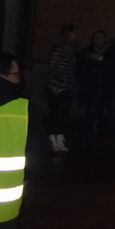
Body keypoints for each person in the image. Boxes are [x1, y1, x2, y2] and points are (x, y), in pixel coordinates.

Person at [0, 52, 49, 229]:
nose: (19, 79)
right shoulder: (24, 109)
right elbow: (39, 152)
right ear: (1, 76)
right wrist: (29, 176)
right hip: (4, 208)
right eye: (15, 74)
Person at [44, 24, 78, 153]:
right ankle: (52, 138)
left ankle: (60, 137)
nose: (76, 35)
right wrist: (59, 79)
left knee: (63, 114)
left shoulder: (73, 48)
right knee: (55, 113)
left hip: (67, 86)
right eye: (74, 32)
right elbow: (53, 65)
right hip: (56, 86)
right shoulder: (59, 47)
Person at [77, 29, 112, 135]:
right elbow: (81, 68)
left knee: (100, 108)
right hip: (89, 85)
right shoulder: (86, 51)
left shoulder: (109, 52)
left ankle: (98, 129)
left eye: (100, 37)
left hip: (103, 86)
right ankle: (89, 128)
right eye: (96, 37)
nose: (98, 40)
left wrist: (100, 58)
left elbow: (112, 67)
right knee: (90, 108)